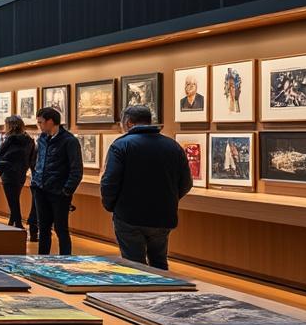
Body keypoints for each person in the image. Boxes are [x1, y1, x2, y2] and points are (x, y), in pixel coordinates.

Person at [100, 105, 192, 269]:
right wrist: (169, 199)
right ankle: (164, 294)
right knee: (159, 263)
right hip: (163, 216)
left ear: (127, 122)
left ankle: (140, 295)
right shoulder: (173, 146)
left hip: (129, 216)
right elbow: (186, 183)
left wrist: (111, 206)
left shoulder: (121, 145)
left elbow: (109, 182)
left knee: (134, 266)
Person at [31, 107, 82, 255]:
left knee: (61, 229)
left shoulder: (69, 141)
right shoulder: (42, 139)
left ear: (50, 121)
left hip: (58, 192)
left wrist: (66, 190)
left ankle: (65, 260)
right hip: (40, 189)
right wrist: (35, 181)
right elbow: (38, 161)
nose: (39, 125)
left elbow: (76, 169)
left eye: (41, 122)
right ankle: (42, 260)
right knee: (43, 228)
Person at [0, 115, 35, 231]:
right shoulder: (29, 141)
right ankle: (12, 221)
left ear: (10, 126)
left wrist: (1, 166)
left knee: (13, 201)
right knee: (14, 198)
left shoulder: (10, 140)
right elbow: (31, 160)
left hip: (9, 175)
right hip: (21, 174)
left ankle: (18, 224)